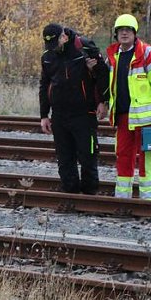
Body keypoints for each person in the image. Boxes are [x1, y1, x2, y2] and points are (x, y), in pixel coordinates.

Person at [105, 14, 151, 200]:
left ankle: (147, 199)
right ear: (116, 34)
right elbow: (107, 86)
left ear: (135, 34)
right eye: (121, 30)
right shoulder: (113, 56)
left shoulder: (148, 54)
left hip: (146, 120)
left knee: (146, 158)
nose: (124, 33)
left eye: (128, 30)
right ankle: (122, 197)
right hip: (122, 117)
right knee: (123, 156)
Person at [39, 24, 109, 195]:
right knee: (64, 158)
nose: (54, 47)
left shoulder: (84, 48)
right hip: (59, 114)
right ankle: (70, 194)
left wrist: (103, 101)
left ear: (64, 36)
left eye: (56, 42)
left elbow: (104, 74)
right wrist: (44, 115)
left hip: (84, 113)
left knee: (88, 156)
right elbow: (44, 85)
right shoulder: (47, 57)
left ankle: (89, 193)